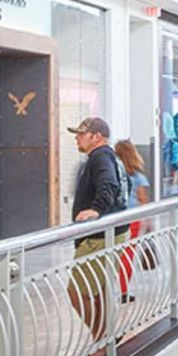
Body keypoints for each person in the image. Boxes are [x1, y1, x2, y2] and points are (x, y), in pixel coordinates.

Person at [67, 117, 126, 342]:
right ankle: (106, 337)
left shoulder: (100, 157)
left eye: (81, 134)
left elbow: (109, 184)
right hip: (108, 233)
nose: (77, 138)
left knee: (77, 293)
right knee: (98, 292)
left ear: (96, 136)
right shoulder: (107, 156)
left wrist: (96, 210)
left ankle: (102, 339)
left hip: (98, 237)